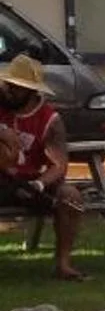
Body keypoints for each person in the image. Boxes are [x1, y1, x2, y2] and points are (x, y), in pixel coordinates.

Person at [0, 53, 84, 281]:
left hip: (31, 182)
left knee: (70, 196)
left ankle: (63, 263)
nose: (8, 89)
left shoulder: (49, 119)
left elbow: (58, 165)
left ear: (30, 90)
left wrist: (39, 183)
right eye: (8, 84)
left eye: (16, 87)